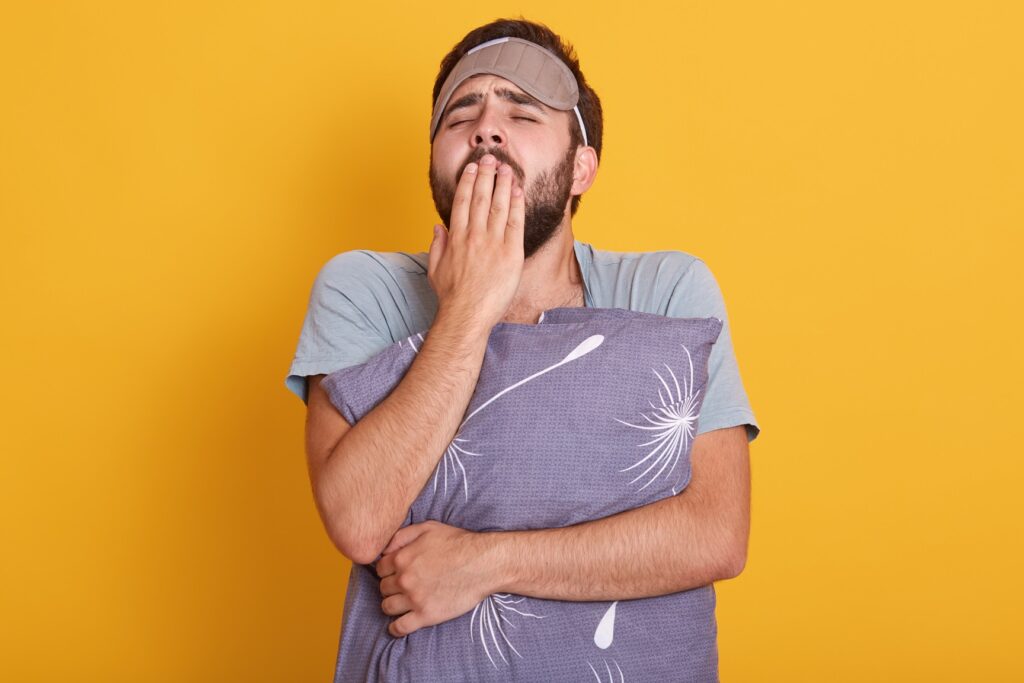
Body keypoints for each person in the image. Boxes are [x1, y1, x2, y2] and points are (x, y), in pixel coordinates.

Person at [285, 17, 760, 682]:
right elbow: (360, 521)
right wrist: (471, 306)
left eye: (523, 111)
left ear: (581, 167)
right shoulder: (360, 289)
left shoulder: (667, 289)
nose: (485, 126)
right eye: (461, 115)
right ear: (434, 163)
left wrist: (485, 563)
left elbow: (715, 532)